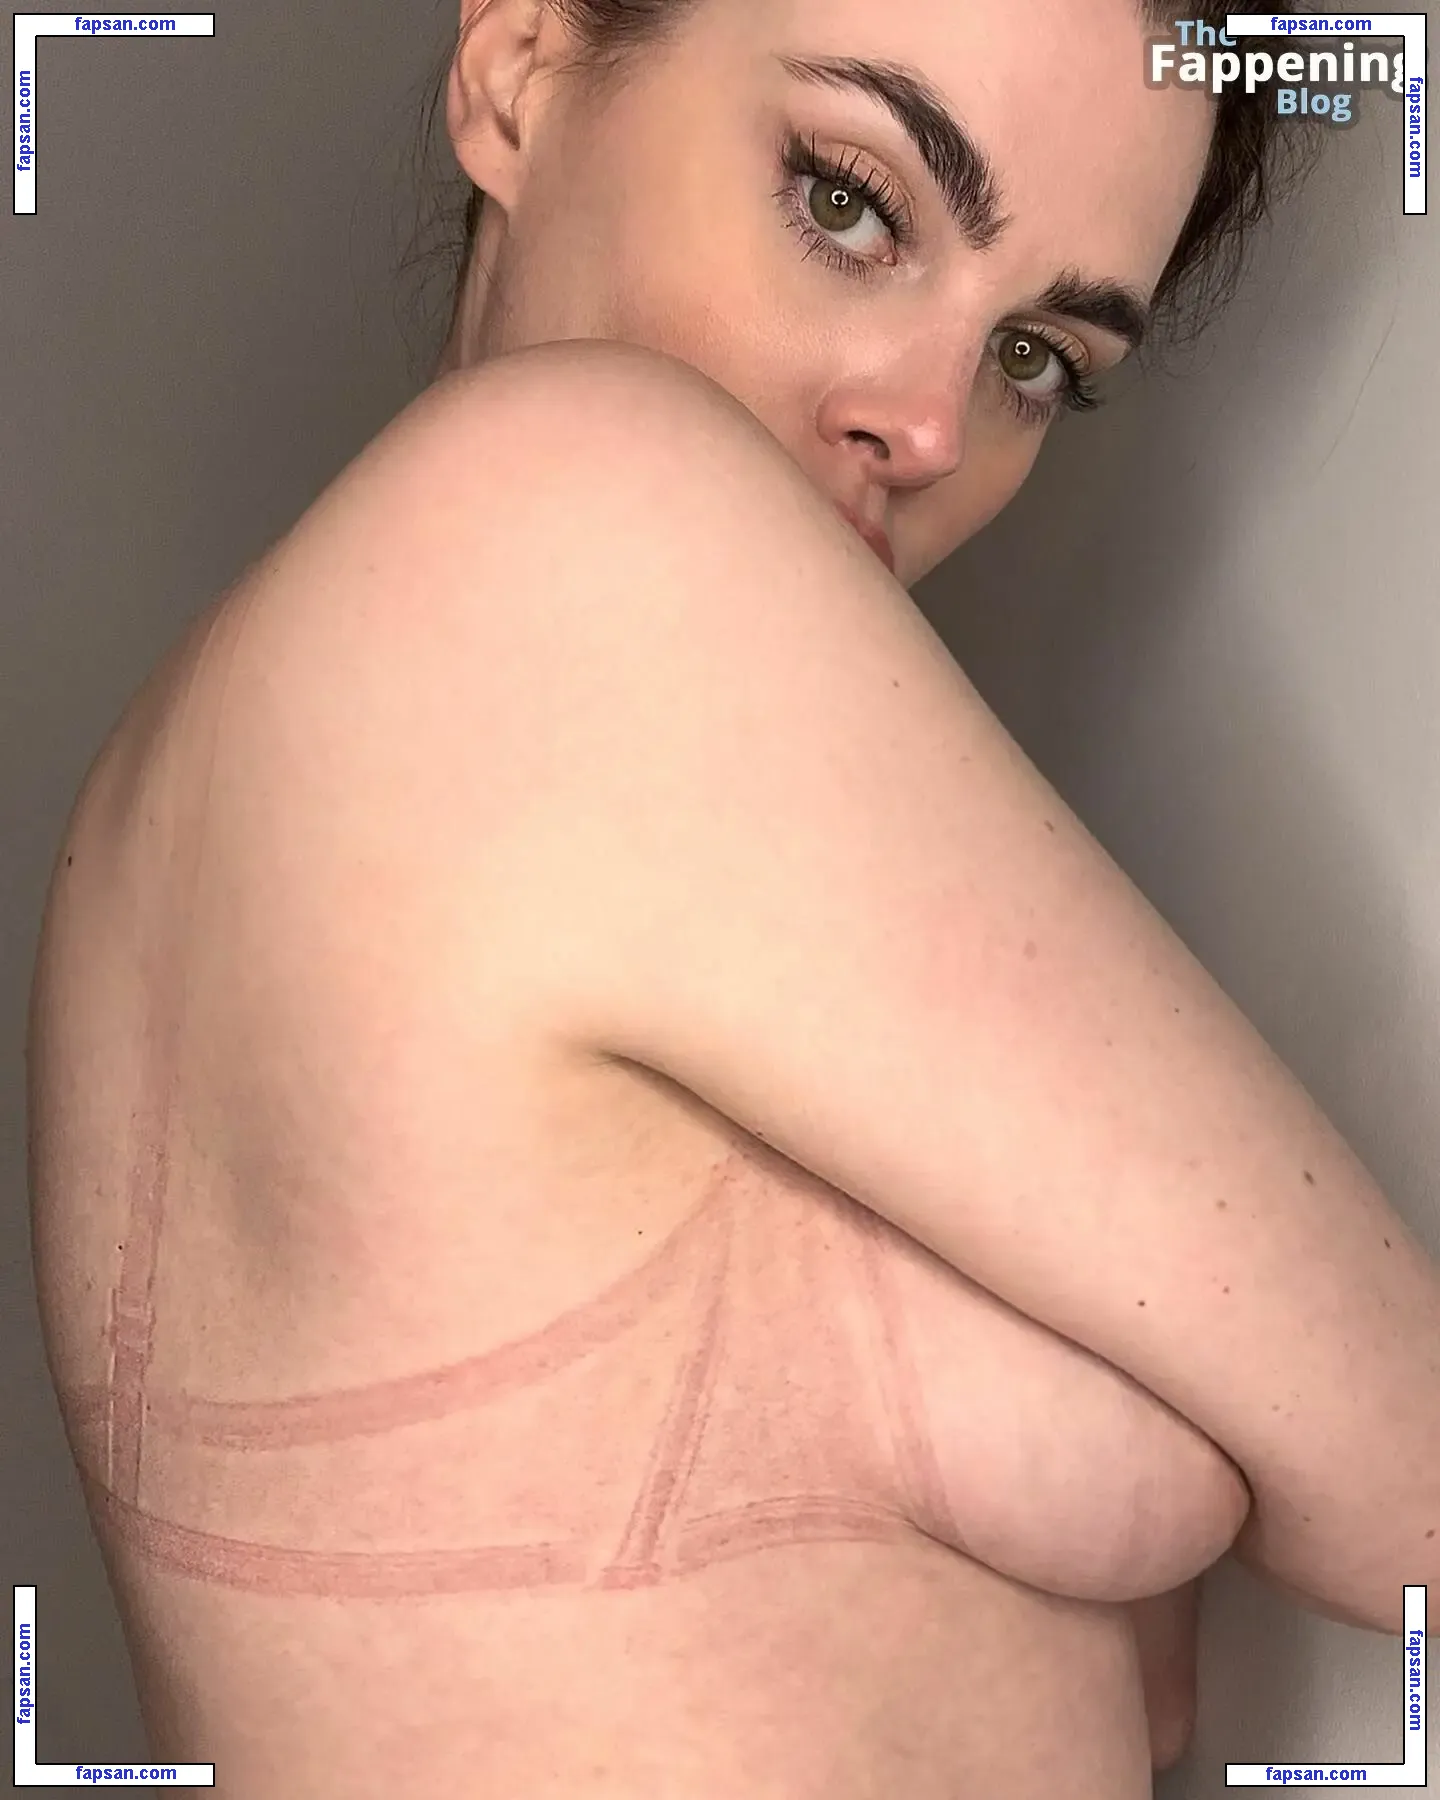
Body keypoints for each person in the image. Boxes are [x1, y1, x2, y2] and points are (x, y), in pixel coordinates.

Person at [26, 2, 1437, 1796]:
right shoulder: (569, 529)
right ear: (520, 65)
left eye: (1034, 358)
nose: (929, 426)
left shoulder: (306, 752)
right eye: (849, 201)